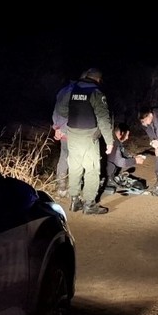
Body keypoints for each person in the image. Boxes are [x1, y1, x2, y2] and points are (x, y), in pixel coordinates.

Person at [56, 67, 114, 215]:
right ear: (98, 79)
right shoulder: (96, 92)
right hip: (89, 136)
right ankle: (89, 204)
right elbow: (103, 118)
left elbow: (61, 109)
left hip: (72, 134)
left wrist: (75, 113)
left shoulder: (72, 89)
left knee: (75, 167)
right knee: (92, 169)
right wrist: (109, 141)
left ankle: (74, 200)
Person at [50, 77, 76, 197]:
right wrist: (63, 129)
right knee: (76, 159)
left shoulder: (62, 91)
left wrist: (57, 128)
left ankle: (61, 186)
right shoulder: (76, 92)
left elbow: (56, 111)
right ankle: (74, 189)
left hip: (62, 131)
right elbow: (75, 115)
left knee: (64, 157)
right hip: (72, 131)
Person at [104, 122, 146, 192]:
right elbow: (121, 162)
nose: (127, 138)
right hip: (101, 169)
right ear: (121, 133)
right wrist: (135, 161)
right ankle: (107, 179)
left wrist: (134, 156)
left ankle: (111, 176)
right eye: (126, 135)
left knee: (115, 163)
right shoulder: (113, 142)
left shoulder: (116, 140)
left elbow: (124, 153)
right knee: (112, 165)